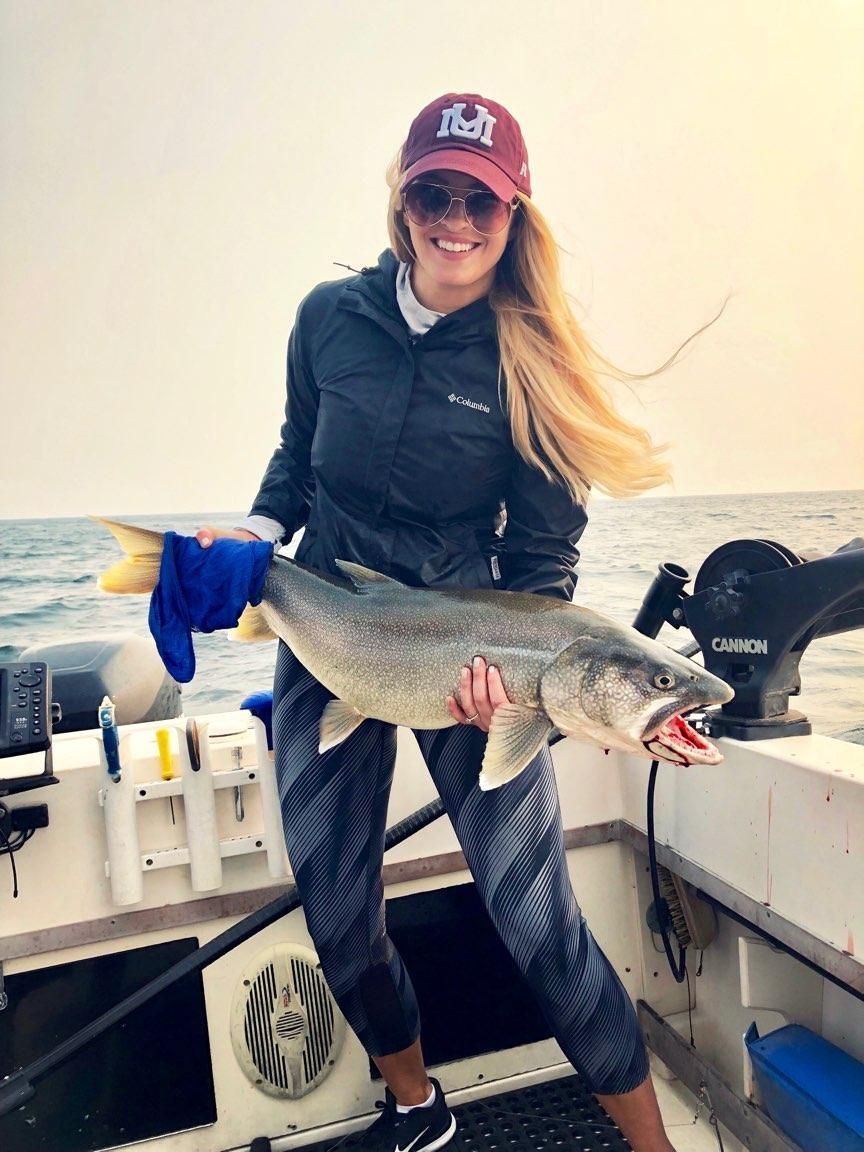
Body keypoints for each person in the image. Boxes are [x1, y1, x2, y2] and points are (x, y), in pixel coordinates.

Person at [199, 93, 677, 1152]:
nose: (454, 218)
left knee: (537, 920)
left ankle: (654, 1147)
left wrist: (516, 682)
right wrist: (252, 535)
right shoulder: (330, 319)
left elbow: (544, 569)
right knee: (335, 913)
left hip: (472, 650)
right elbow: (296, 455)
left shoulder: (530, 358)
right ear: (401, 197)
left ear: (515, 218)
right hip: (330, 625)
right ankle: (417, 1107)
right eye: (433, 192)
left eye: (482, 201)